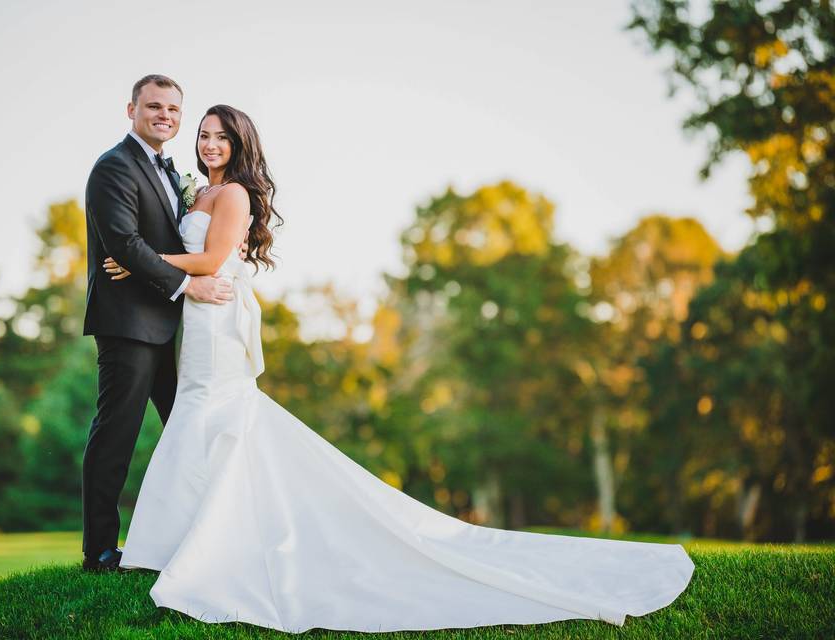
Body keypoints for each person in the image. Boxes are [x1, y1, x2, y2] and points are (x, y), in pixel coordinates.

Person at [107, 104, 695, 633]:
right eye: (205, 136)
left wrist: (140, 262)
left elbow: (213, 259)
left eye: (221, 137)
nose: (210, 145)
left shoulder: (231, 194)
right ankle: (187, 541)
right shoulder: (196, 193)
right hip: (198, 315)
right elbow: (198, 257)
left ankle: (206, 549)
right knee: (199, 413)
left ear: (239, 145)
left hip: (215, 318)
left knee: (214, 411)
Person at [81, 75, 243, 572]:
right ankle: (101, 551)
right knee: (116, 434)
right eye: (154, 106)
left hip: (175, 330)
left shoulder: (172, 173)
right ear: (131, 109)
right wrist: (187, 285)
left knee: (188, 430)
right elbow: (124, 245)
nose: (165, 116)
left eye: (174, 109)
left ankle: (202, 534)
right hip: (129, 324)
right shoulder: (113, 167)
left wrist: (183, 284)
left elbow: (182, 243)